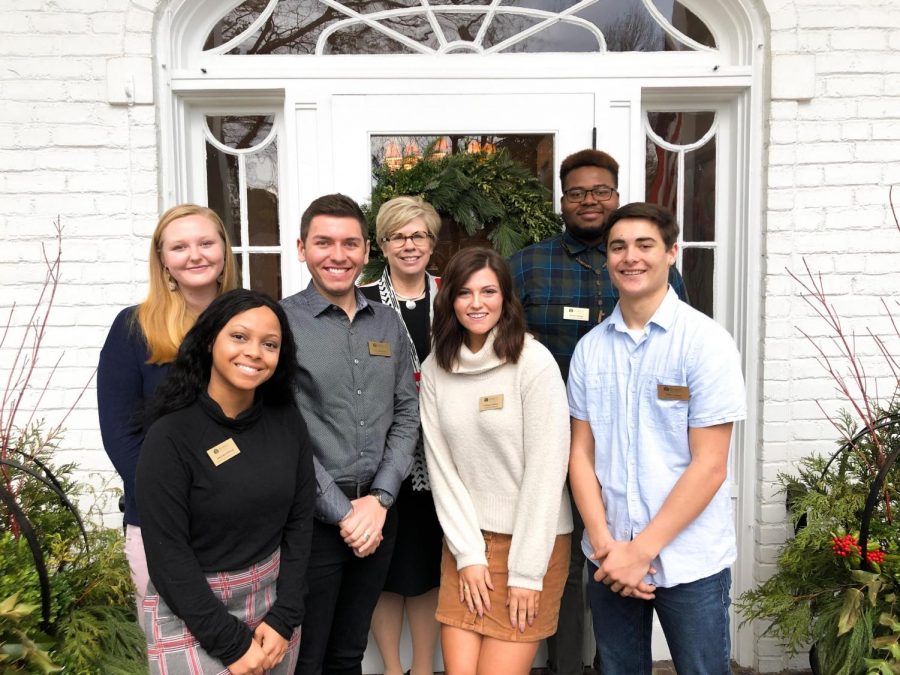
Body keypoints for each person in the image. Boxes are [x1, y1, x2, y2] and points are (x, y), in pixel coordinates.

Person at [507, 149, 689, 675]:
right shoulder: (527, 264)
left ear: (615, 193)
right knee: (562, 563)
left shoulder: (646, 267)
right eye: (577, 192)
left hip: (637, 443)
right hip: (549, 442)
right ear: (562, 201)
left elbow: (674, 345)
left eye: (601, 191)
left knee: (644, 548)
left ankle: (615, 663)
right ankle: (568, 666)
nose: (589, 200)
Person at [567, 203, 746, 674]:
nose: (631, 257)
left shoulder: (706, 343)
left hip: (688, 560)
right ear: (606, 258)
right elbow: (580, 455)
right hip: (609, 555)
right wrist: (608, 547)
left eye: (645, 245)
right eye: (618, 247)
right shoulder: (590, 350)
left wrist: (640, 552)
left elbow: (709, 465)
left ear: (671, 252)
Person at [136, 289, 316, 675]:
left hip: (271, 604)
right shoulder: (170, 436)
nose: (254, 352)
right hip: (191, 608)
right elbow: (168, 558)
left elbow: (300, 523)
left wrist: (285, 617)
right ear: (209, 340)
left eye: (270, 344)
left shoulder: (287, 421)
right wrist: (231, 644)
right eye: (239, 337)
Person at [281, 193, 419, 675]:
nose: (337, 255)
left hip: (380, 516)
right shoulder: (280, 323)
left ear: (365, 252)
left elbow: (407, 413)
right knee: (309, 654)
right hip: (314, 519)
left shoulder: (387, 322)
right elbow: (284, 431)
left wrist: (380, 500)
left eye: (349, 243)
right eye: (323, 243)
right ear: (302, 248)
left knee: (350, 651)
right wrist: (344, 513)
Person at [420, 247, 573, 675]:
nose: (476, 303)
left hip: (531, 541)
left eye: (488, 291)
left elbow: (548, 472)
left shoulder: (532, 362)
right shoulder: (436, 368)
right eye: (465, 292)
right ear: (449, 299)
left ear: (505, 298)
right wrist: (467, 554)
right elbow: (441, 468)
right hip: (465, 541)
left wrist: (526, 572)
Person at [97, 204, 238, 624]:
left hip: (241, 520)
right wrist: (174, 497)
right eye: (179, 247)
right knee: (172, 643)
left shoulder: (248, 320)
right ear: (163, 260)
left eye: (205, 243)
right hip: (162, 522)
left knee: (246, 646)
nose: (195, 255)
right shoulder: (133, 328)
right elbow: (120, 434)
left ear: (223, 251)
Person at [359, 196, 443, 675]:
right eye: (397, 236)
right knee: (385, 570)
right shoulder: (364, 298)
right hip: (384, 457)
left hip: (442, 458)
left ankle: (424, 668)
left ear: (431, 242)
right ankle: (393, 667)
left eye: (418, 236)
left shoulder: (453, 294)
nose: (409, 245)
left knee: (429, 566)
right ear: (383, 245)